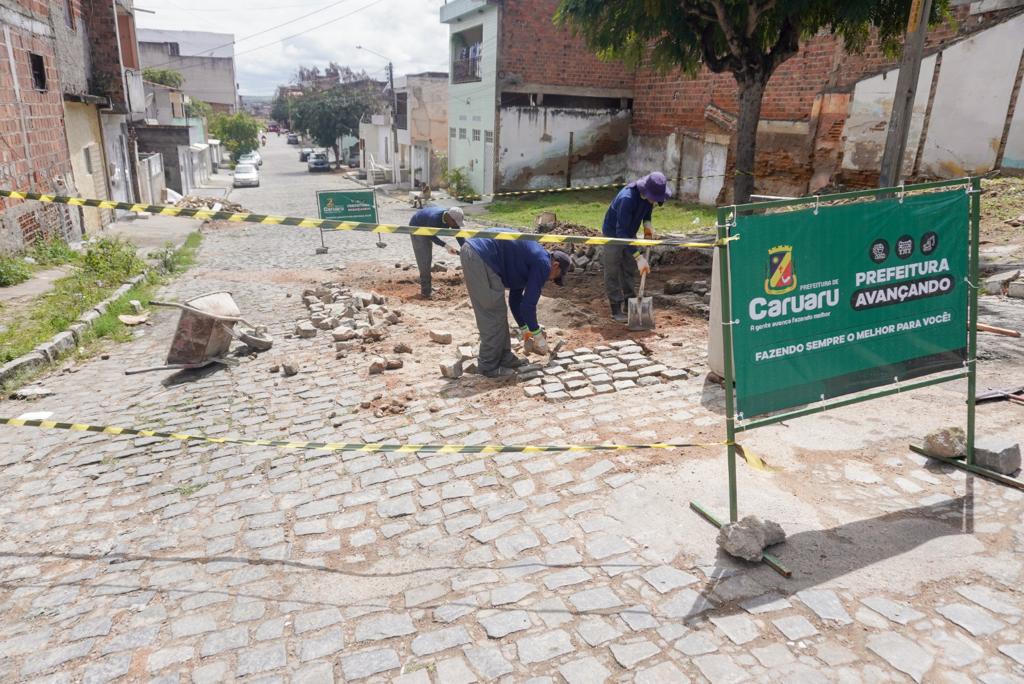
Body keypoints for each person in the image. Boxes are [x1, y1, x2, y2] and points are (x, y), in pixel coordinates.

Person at [460, 232, 573, 377]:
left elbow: (515, 300)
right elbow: (528, 306)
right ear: (555, 265)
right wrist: (537, 335)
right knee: (491, 313)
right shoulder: (543, 264)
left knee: (499, 311)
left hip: (482, 255)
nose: (550, 280)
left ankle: (504, 357)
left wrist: (524, 328)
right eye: (555, 277)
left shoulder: (530, 260)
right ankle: (488, 366)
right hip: (480, 255)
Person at [601, 172, 671, 323]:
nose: (654, 202)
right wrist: (639, 257)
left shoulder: (647, 198)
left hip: (629, 233)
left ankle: (630, 304)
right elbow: (621, 232)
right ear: (646, 192)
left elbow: (648, 209)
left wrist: (647, 225)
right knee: (612, 270)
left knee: (629, 269)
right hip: (613, 234)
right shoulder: (627, 199)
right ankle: (616, 308)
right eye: (654, 199)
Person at [408, 205, 463, 298]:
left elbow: (458, 234)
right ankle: (426, 291)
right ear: (449, 217)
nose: (456, 225)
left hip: (427, 227)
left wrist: (465, 248)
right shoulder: (434, 218)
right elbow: (431, 235)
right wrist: (446, 246)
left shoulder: (452, 219)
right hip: (417, 227)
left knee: (428, 257)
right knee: (424, 259)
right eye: (455, 222)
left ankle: (428, 287)